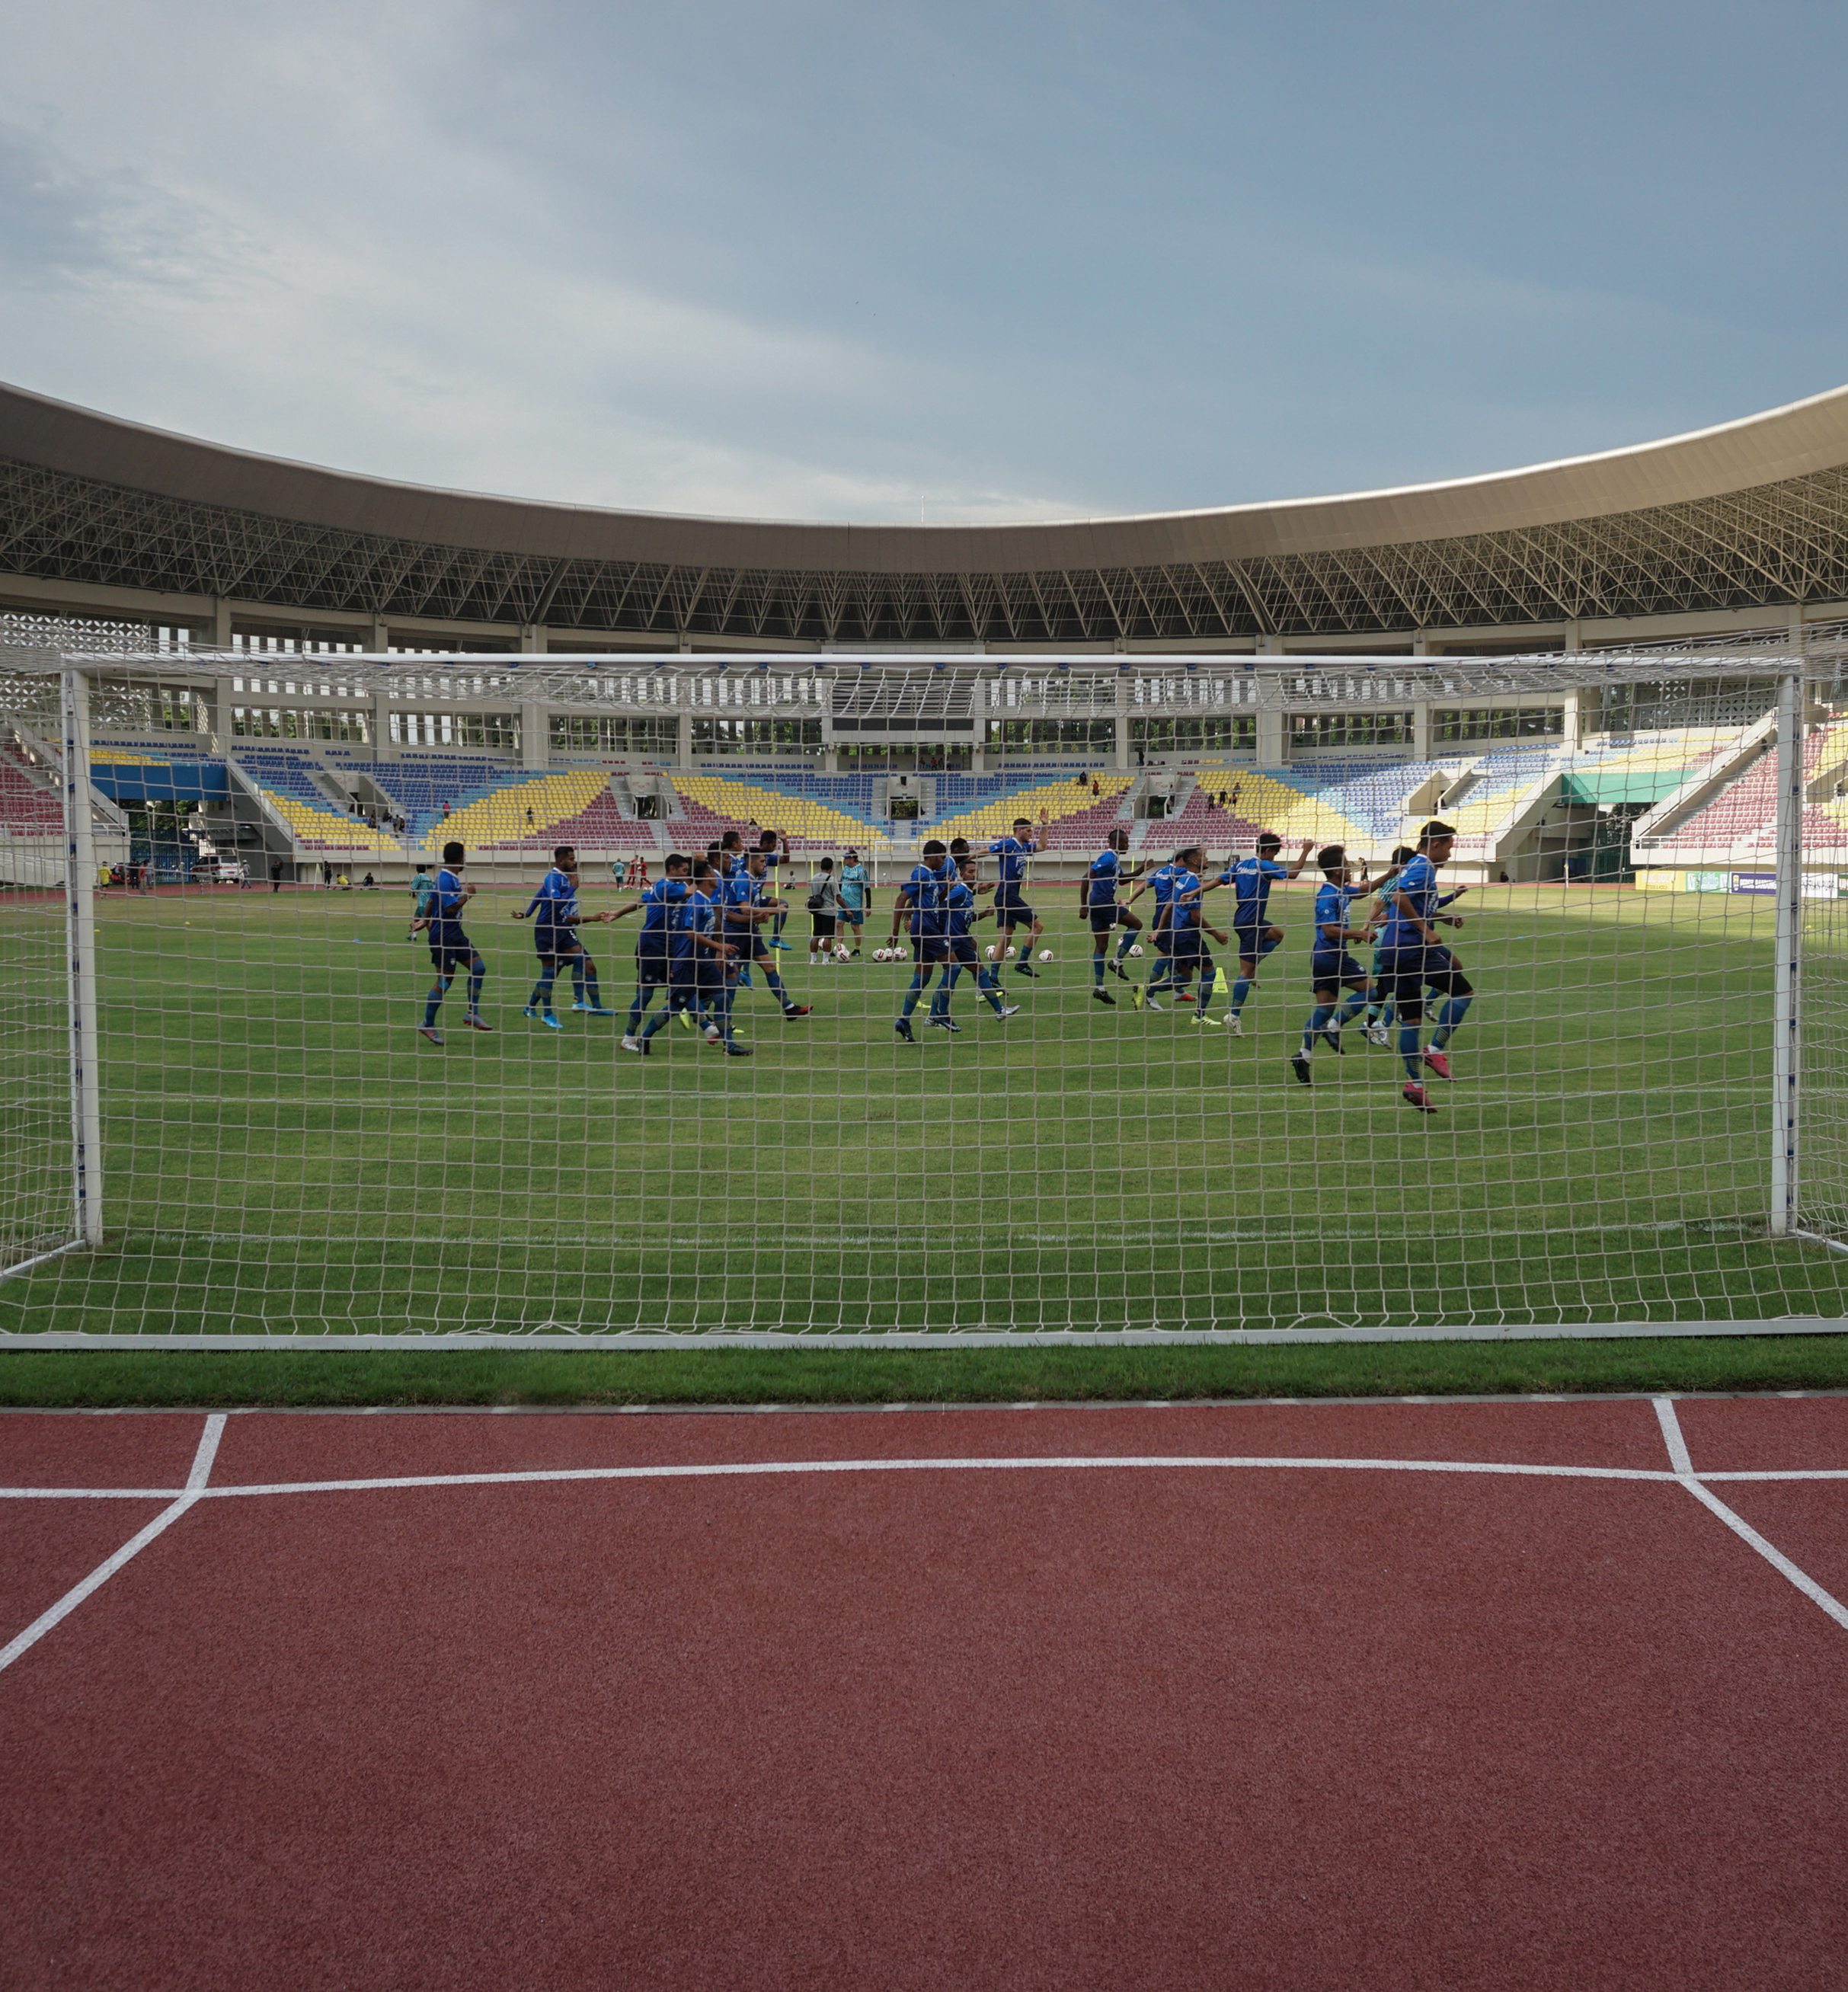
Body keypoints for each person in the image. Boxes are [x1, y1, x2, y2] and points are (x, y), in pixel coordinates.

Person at [1374, 821, 1472, 1114]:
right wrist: (1426, 930)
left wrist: (1441, 918)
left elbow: (1413, 904)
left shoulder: (1416, 867)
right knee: (1463, 992)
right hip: (1411, 948)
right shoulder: (1423, 866)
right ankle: (1434, 1050)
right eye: (1449, 847)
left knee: (1412, 1021)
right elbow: (1399, 898)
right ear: (1436, 845)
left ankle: (1414, 1084)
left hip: (1394, 950)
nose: (1450, 854)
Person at [638, 859, 747, 1055]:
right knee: (674, 1007)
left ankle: (729, 1046)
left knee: (722, 998)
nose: (717, 878)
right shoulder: (696, 902)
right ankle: (644, 1037)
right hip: (687, 963)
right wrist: (719, 946)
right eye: (713, 874)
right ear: (706, 876)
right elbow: (691, 934)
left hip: (704, 962)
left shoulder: (706, 901)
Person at [1291, 845, 1375, 1086]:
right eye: (1346, 864)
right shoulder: (1328, 895)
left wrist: (1390, 874)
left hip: (1324, 957)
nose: (1350, 868)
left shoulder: (1341, 890)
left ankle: (1303, 1055)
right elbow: (1328, 930)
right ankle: (1334, 1026)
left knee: (1324, 1009)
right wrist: (1359, 933)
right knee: (1372, 991)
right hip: (1332, 957)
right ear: (1338, 870)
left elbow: (1362, 892)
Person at [512, 845, 617, 1029]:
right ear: (561, 860)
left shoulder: (562, 878)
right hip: (547, 930)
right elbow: (556, 904)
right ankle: (546, 1014)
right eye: (571, 859)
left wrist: (528, 913)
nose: (574, 862)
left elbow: (539, 894)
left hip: (562, 929)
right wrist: (573, 888)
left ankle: (583, 1003)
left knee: (583, 960)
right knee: (549, 973)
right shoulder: (553, 878)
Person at [1218, 834, 1314, 1035]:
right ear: (1269, 851)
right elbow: (1293, 874)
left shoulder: (1241, 865)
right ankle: (1233, 1016)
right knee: (1245, 973)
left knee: (1277, 935)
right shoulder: (1264, 865)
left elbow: (1218, 880)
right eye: (1275, 854)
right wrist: (1306, 851)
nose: (1274, 858)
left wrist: (1196, 891)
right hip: (1251, 924)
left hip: (1246, 920)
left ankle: (1253, 967)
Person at [410, 840, 491, 1045]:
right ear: (460, 857)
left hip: (455, 934)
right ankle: (427, 1024)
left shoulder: (448, 878)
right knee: (444, 982)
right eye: (465, 856)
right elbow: (451, 908)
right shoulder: (446, 879)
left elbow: (431, 901)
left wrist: (424, 920)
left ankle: (472, 1013)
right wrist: (468, 895)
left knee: (478, 968)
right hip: (443, 937)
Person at [718, 847, 812, 1018]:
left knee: (770, 967)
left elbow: (754, 906)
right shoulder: (743, 880)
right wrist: (775, 910)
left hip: (751, 933)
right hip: (736, 934)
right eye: (762, 861)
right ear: (752, 862)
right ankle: (709, 1012)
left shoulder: (752, 881)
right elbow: (745, 909)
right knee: (731, 976)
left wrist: (764, 914)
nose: (764, 865)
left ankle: (789, 1008)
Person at [929, 858, 1021, 1030]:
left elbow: (965, 916)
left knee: (971, 973)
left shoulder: (968, 893)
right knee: (965, 974)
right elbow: (939, 907)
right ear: (962, 875)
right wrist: (935, 929)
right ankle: (998, 1010)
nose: (974, 875)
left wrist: (983, 914)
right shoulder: (959, 891)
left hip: (962, 939)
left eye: (975, 871)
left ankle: (934, 1016)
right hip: (954, 940)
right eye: (970, 872)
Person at [616, 854, 691, 1051]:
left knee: (683, 986)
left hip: (669, 946)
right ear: (672, 869)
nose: (687, 874)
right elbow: (693, 890)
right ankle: (628, 1038)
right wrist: (701, 871)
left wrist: (617, 913)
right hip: (653, 945)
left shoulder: (668, 887)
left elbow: (640, 901)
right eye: (684, 870)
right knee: (646, 994)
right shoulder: (667, 887)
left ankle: (708, 1027)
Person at [1152, 845, 1228, 1028]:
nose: (1207, 859)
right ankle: (1199, 1015)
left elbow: (1168, 906)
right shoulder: (1193, 884)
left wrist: (1160, 930)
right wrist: (1216, 934)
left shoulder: (1182, 879)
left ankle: (1147, 989)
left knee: (1185, 977)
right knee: (1209, 973)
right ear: (1194, 860)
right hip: (1188, 935)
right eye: (1204, 856)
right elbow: (1195, 917)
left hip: (1176, 934)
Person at [888, 838, 955, 1042]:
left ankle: (904, 1020)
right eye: (942, 857)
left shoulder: (930, 875)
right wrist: (895, 931)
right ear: (932, 856)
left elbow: (934, 901)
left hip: (924, 928)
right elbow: (902, 898)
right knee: (954, 967)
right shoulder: (921, 873)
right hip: (926, 929)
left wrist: (946, 889)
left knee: (922, 978)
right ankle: (939, 1012)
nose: (944, 861)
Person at [1083, 827, 1143, 1005]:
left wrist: (1141, 870)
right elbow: (1087, 877)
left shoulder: (1114, 859)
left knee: (1101, 945)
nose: (1128, 845)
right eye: (1125, 842)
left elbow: (1122, 880)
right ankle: (1116, 962)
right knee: (1136, 925)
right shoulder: (1108, 858)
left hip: (1098, 904)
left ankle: (1100, 989)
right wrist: (1082, 906)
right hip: (1103, 903)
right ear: (1115, 842)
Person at [1362, 848, 1415, 1045]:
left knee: (1388, 986)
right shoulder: (1396, 880)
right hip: (1389, 940)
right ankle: (1376, 1023)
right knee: (1394, 985)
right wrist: (1366, 926)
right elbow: (1378, 903)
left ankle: (1375, 1023)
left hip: (1396, 939)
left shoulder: (1403, 880)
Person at [988, 817, 1043, 976]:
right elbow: (987, 851)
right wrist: (966, 858)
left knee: (1005, 938)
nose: (1031, 834)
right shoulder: (1009, 845)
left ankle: (993, 978)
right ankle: (1022, 963)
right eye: (1028, 830)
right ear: (1019, 830)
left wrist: (1045, 825)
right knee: (1038, 926)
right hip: (1008, 895)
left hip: (1005, 896)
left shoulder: (1024, 847)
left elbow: (1042, 846)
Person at [807, 858, 840, 966]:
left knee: (816, 935)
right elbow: (838, 897)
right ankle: (826, 960)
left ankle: (813, 959)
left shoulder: (814, 878)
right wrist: (847, 909)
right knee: (828, 936)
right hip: (828, 911)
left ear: (821, 866)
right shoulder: (832, 880)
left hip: (817, 910)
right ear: (831, 867)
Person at [837, 848, 871, 954]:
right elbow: (841, 883)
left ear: (852, 859)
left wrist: (868, 906)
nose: (844, 860)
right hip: (843, 903)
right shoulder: (845, 869)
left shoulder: (861, 871)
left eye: (846, 858)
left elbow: (867, 888)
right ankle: (838, 948)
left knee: (854, 927)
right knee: (838, 924)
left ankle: (857, 949)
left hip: (855, 904)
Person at [408, 864, 436, 940]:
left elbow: (413, 888)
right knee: (416, 917)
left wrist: (412, 893)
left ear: (417, 869)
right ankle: (414, 935)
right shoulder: (428, 878)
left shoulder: (418, 877)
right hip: (428, 901)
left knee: (426, 922)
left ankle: (434, 936)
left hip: (422, 903)